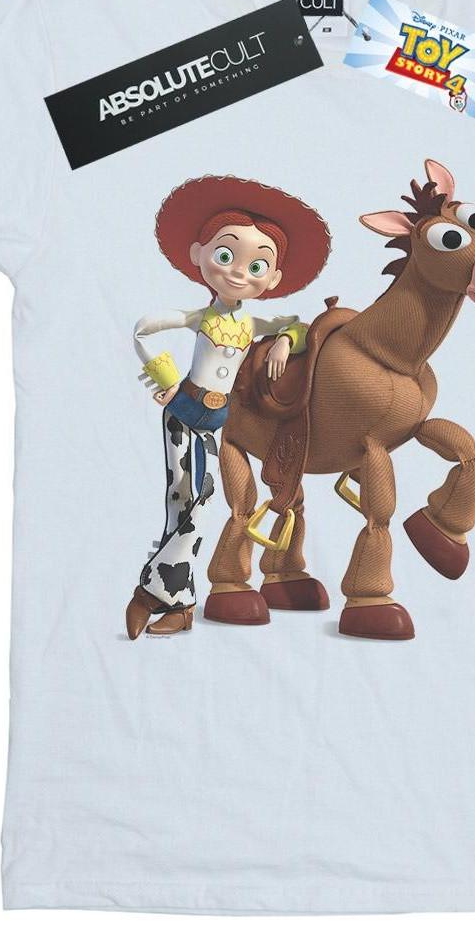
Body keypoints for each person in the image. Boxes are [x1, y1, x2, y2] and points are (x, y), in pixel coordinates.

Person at [125, 176, 332, 639]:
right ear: (199, 254)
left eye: (256, 265)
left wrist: (282, 341)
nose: (239, 273)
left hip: (216, 420)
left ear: (272, 279)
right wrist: (165, 379)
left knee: (192, 502)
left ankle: (167, 598)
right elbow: (143, 328)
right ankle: (159, 594)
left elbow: (298, 326)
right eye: (225, 256)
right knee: (188, 499)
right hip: (184, 412)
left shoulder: (253, 323)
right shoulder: (201, 317)